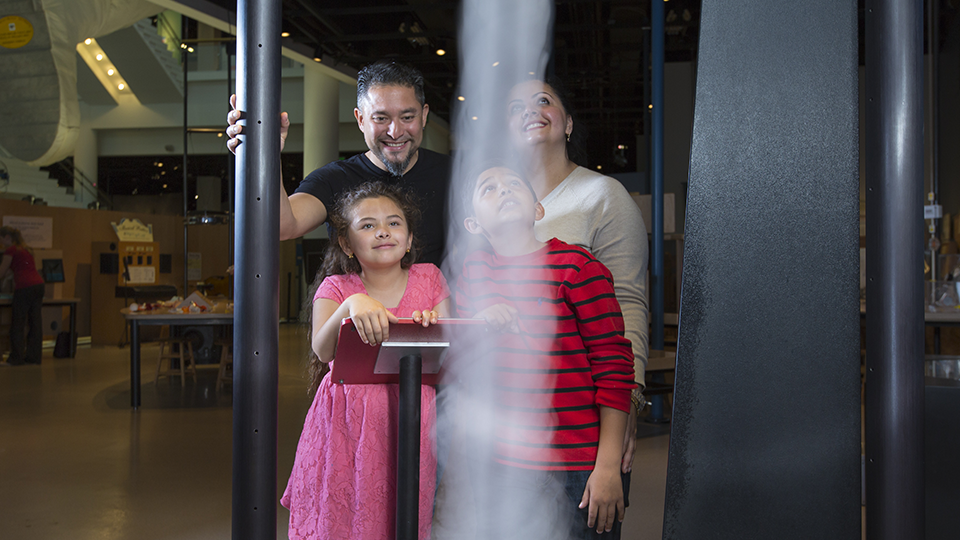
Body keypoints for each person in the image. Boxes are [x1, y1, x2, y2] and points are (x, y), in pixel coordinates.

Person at [455, 163, 636, 539]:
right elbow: (461, 360)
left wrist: (607, 466)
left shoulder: (579, 267)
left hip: (578, 465)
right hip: (502, 464)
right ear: (473, 224)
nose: (504, 190)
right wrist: (478, 322)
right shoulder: (473, 273)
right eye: (488, 188)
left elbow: (615, 366)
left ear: (538, 210)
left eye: (514, 184)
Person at [281, 182, 451, 540]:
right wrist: (350, 306)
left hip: (411, 417)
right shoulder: (336, 287)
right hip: (345, 423)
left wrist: (428, 327)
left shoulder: (431, 278)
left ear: (408, 239)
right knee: (344, 513)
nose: (383, 231)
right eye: (367, 225)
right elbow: (322, 351)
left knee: (402, 510)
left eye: (394, 223)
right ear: (347, 244)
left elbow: (448, 350)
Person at [506, 77, 649, 483]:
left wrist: (628, 401)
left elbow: (628, 302)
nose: (530, 111)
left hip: (583, 414)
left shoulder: (603, 195)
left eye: (543, 101)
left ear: (567, 123)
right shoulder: (494, 203)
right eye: (516, 109)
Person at [225, 60, 451, 266]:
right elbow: (283, 226)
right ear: (360, 119)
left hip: (437, 310)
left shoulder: (453, 174)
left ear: (424, 116)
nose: (395, 131)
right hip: (356, 310)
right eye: (381, 118)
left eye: (407, 117)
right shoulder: (335, 178)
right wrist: (266, 154)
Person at [0, 226, 45, 366]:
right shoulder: (25, 249)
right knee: (35, 323)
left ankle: (16, 358)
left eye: (1, 239)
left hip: (24, 287)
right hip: (38, 285)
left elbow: (2, 272)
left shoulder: (11, 250)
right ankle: (34, 358)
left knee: (17, 324)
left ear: (7, 237)